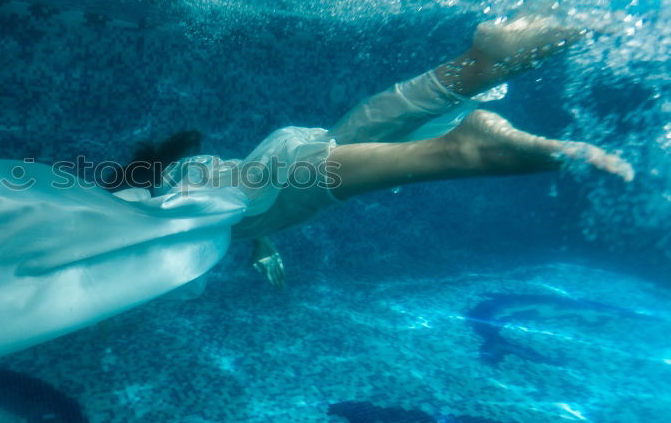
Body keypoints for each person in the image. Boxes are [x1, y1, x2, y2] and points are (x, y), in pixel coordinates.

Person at [0, 15, 630, 405]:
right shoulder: (182, 201)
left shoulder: (176, 201)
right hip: (215, 180)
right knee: (281, 182)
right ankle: (462, 94)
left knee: (263, 193)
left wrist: (216, 217)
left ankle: (455, 126)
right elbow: (248, 195)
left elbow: (237, 194)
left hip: (211, 184)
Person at [157, 15, 632, 288]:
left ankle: (464, 148)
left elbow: (231, 210)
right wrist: (262, 245)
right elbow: (235, 207)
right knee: (349, 135)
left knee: (312, 176)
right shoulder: (205, 187)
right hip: (277, 162)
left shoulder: (159, 211)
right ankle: (482, 63)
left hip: (280, 182)